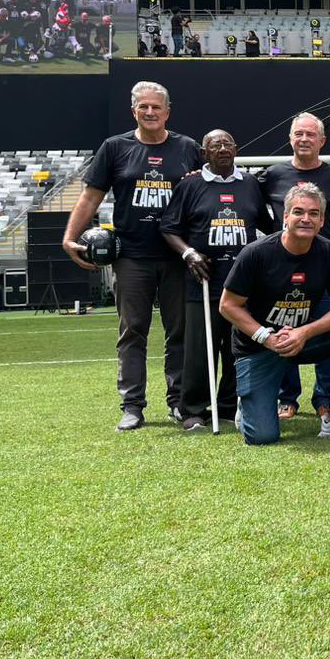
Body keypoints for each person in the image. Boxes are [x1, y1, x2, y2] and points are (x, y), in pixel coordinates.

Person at [63, 82, 203, 431]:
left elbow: (206, 194)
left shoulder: (188, 148)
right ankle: (132, 406)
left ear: (168, 111)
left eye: (156, 107)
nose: (150, 112)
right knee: (132, 332)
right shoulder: (114, 148)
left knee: (180, 333)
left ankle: (180, 403)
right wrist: (69, 237)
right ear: (134, 111)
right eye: (143, 107)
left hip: (176, 256)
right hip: (131, 257)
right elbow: (91, 197)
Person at [219, 183, 330, 445]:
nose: (306, 219)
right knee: (262, 436)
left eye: (314, 213)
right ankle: (248, 402)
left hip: (302, 340)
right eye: (299, 212)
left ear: (322, 220)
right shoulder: (256, 253)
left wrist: (304, 332)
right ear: (285, 216)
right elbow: (227, 305)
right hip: (259, 346)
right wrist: (265, 337)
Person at [160, 129, 274, 431]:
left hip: (242, 286)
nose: (222, 148)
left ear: (236, 149)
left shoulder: (249, 184)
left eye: (227, 144)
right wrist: (189, 255)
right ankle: (193, 409)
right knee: (199, 349)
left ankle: (226, 405)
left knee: (238, 347)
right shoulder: (191, 185)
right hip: (203, 283)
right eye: (215, 145)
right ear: (204, 152)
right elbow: (169, 228)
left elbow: (267, 225)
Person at [259, 113, 330, 421]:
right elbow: (250, 204)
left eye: (310, 135)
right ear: (290, 138)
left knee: (327, 333)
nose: (304, 139)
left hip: (324, 269)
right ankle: (287, 397)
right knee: (284, 330)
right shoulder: (272, 175)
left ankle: (324, 398)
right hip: (283, 269)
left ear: (322, 141)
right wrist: (275, 230)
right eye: (298, 134)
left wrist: (328, 228)